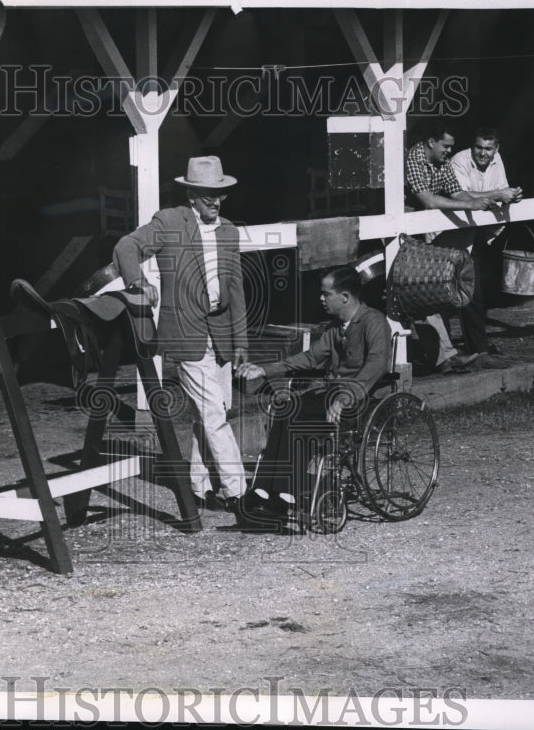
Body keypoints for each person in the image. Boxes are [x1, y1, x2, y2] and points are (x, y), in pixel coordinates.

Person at [114, 156, 248, 512]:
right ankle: (239, 493)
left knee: (214, 411)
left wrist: (241, 342)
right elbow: (126, 246)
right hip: (185, 333)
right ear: (191, 195)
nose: (215, 202)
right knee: (213, 413)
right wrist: (138, 281)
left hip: (219, 334)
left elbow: (235, 289)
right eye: (207, 196)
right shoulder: (170, 222)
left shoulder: (229, 231)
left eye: (220, 195)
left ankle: (200, 487)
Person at [235, 266, 390, 529]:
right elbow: (310, 358)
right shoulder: (335, 328)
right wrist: (264, 369)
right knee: (287, 407)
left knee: (300, 421)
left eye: (325, 293)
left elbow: (376, 366)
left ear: (344, 297)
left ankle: (284, 495)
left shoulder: (374, 322)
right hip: (330, 395)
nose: (320, 298)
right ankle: (265, 492)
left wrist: (344, 397)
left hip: (359, 400)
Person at [403, 121, 515, 373]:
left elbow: (457, 193)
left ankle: (446, 356)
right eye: (446, 146)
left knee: (439, 287)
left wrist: (485, 199)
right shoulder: (414, 158)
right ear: (431, 142)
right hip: (406, 232)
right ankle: (440, 356)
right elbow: (428, 200)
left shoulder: (442, 163)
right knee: (420, 291)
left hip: (429, 232)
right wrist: (471, 205)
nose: (449, 152)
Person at [449, 127, 522, 366]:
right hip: (454, 233)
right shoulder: (459, 160)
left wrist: (510, 195)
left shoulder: (496, 160)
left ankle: (476, 349)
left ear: (496, 149)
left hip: (481, 232)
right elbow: (460, 195)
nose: (482, 153)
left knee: (476, 291)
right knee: (466, 292)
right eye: (478, 147)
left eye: (488, 149)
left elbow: (499, 192)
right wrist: (500, 194)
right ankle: (472, 351)